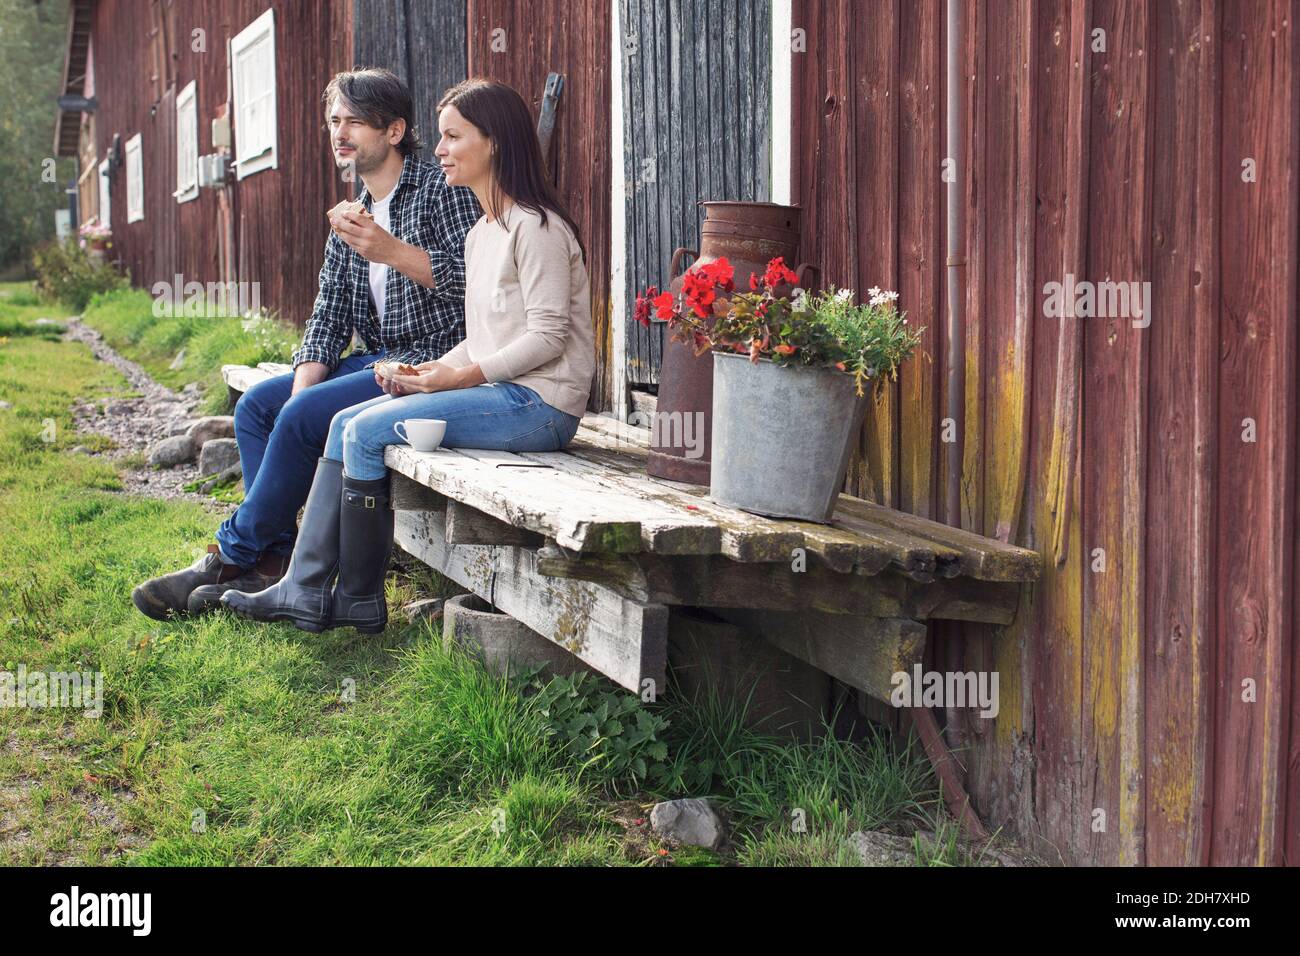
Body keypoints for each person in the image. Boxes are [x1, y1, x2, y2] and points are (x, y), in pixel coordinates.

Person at [221, 77, 595, 634]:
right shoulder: (484, 232)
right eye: (440, 137)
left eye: (452, 137)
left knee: (364, 432)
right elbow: (479, 333)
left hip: (541, 404)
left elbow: (549, 339)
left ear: (493, 142)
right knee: (347, 423)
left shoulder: (537, 227)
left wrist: (457, 376)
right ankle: (325, 588)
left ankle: (336, 592)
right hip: (497, 390)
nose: (439, 148)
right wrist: (435, 372)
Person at [132, 68, 482, 622]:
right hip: (378, 357)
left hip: (435, 364)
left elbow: (478, 282)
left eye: (355, 123)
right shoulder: (353, 212)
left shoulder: (442, 189)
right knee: (256, 407)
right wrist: (302, 386)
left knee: (294, 418)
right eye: (334, 122)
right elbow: (328, 315)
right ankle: (271, 562)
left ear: (393, 131)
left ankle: (230, 554)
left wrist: (388, 249)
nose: (340, 134)